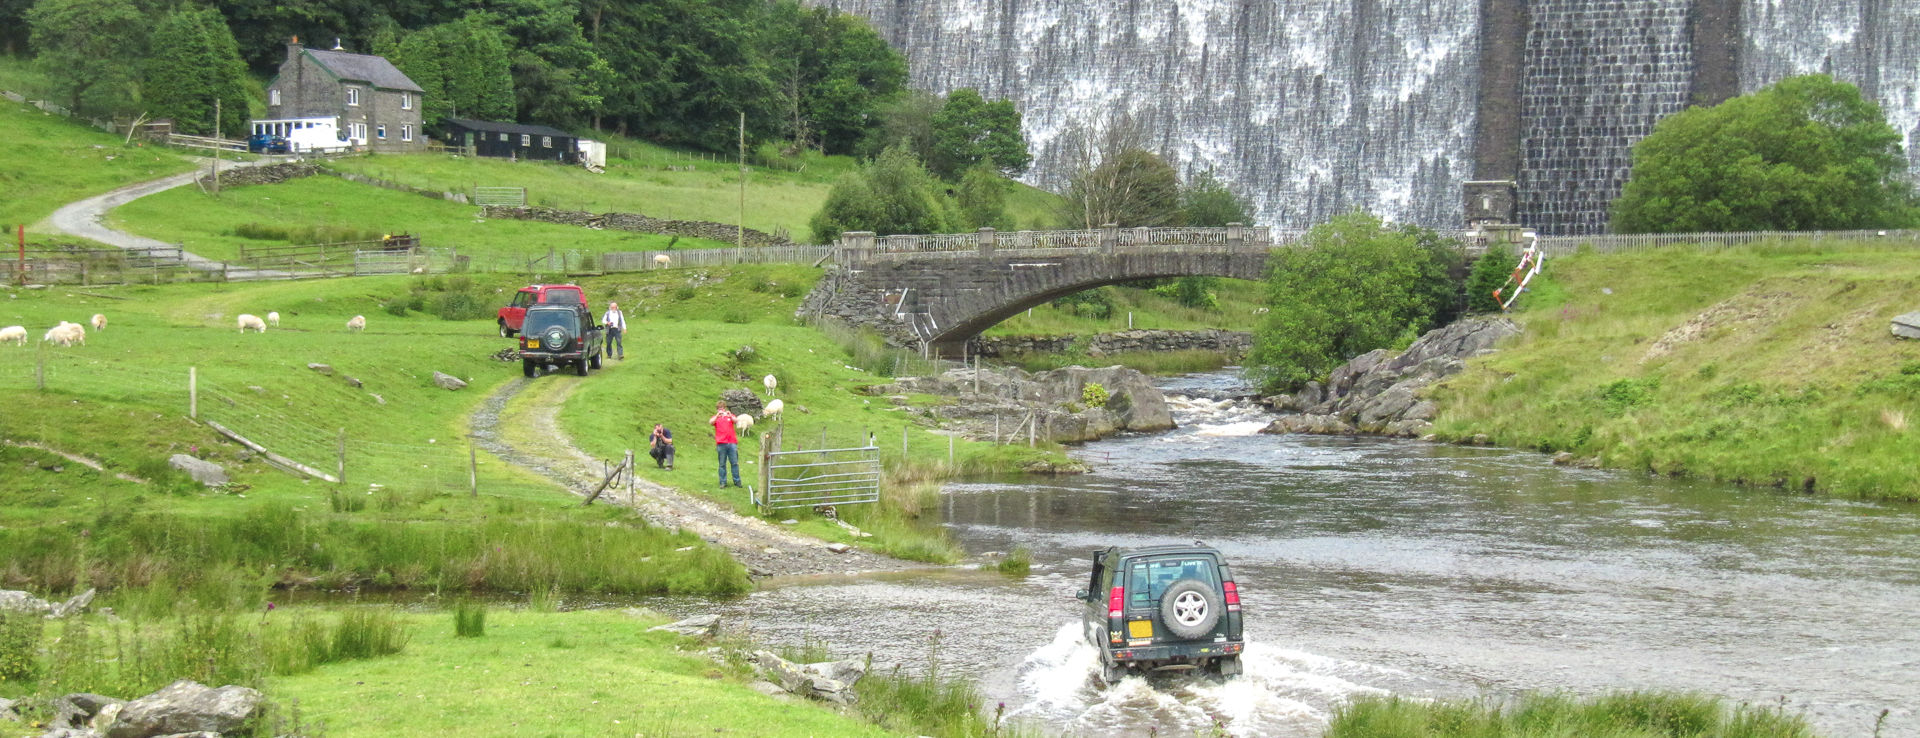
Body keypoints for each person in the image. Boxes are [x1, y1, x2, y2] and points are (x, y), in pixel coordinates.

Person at [711, 401, 741, 488]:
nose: (721, 410)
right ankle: (723, 482)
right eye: (719, 409)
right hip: (721, 444)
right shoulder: (716, 418)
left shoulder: (729, 416)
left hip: (732, 443)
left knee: (734, 463)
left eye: (722, 408)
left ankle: (737, 481)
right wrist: (717, 416)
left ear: (725, 408)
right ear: (717, 409)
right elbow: (711, 422)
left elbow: (736, 421)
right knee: (722, 464)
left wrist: (730, 415)